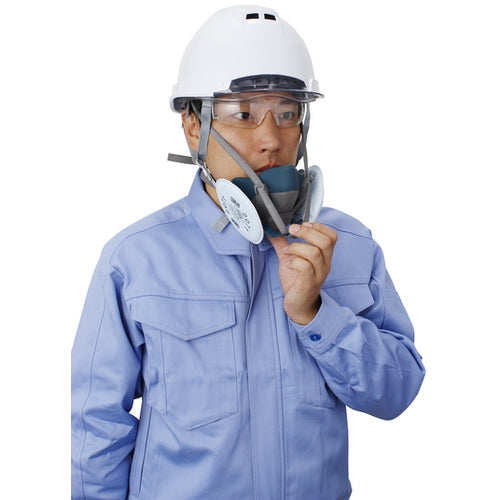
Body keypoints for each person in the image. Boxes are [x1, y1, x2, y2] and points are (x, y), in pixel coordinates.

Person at [71, 5, 425, 500]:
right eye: (243, 114)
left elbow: (396, 393)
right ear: (193, 126)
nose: (270, 140)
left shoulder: (348, 244)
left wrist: (316, 315)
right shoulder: (136, 260)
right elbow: (97, 426)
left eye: (287, 113)